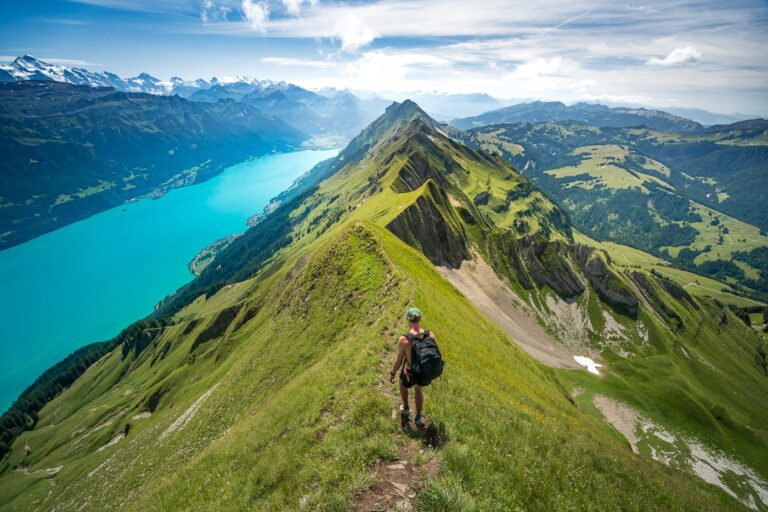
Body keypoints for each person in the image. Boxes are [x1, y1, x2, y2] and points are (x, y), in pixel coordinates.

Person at [389, 307, 436, 428]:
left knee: (402, 383)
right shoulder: (430, 334)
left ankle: (405, 407)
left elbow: (399, 361)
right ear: (419, 319)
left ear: (408, 320)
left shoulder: (405, 339)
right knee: (418, 389)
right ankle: (419, 416)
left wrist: (392, 372)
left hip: (410, 372)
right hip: (423, 371)